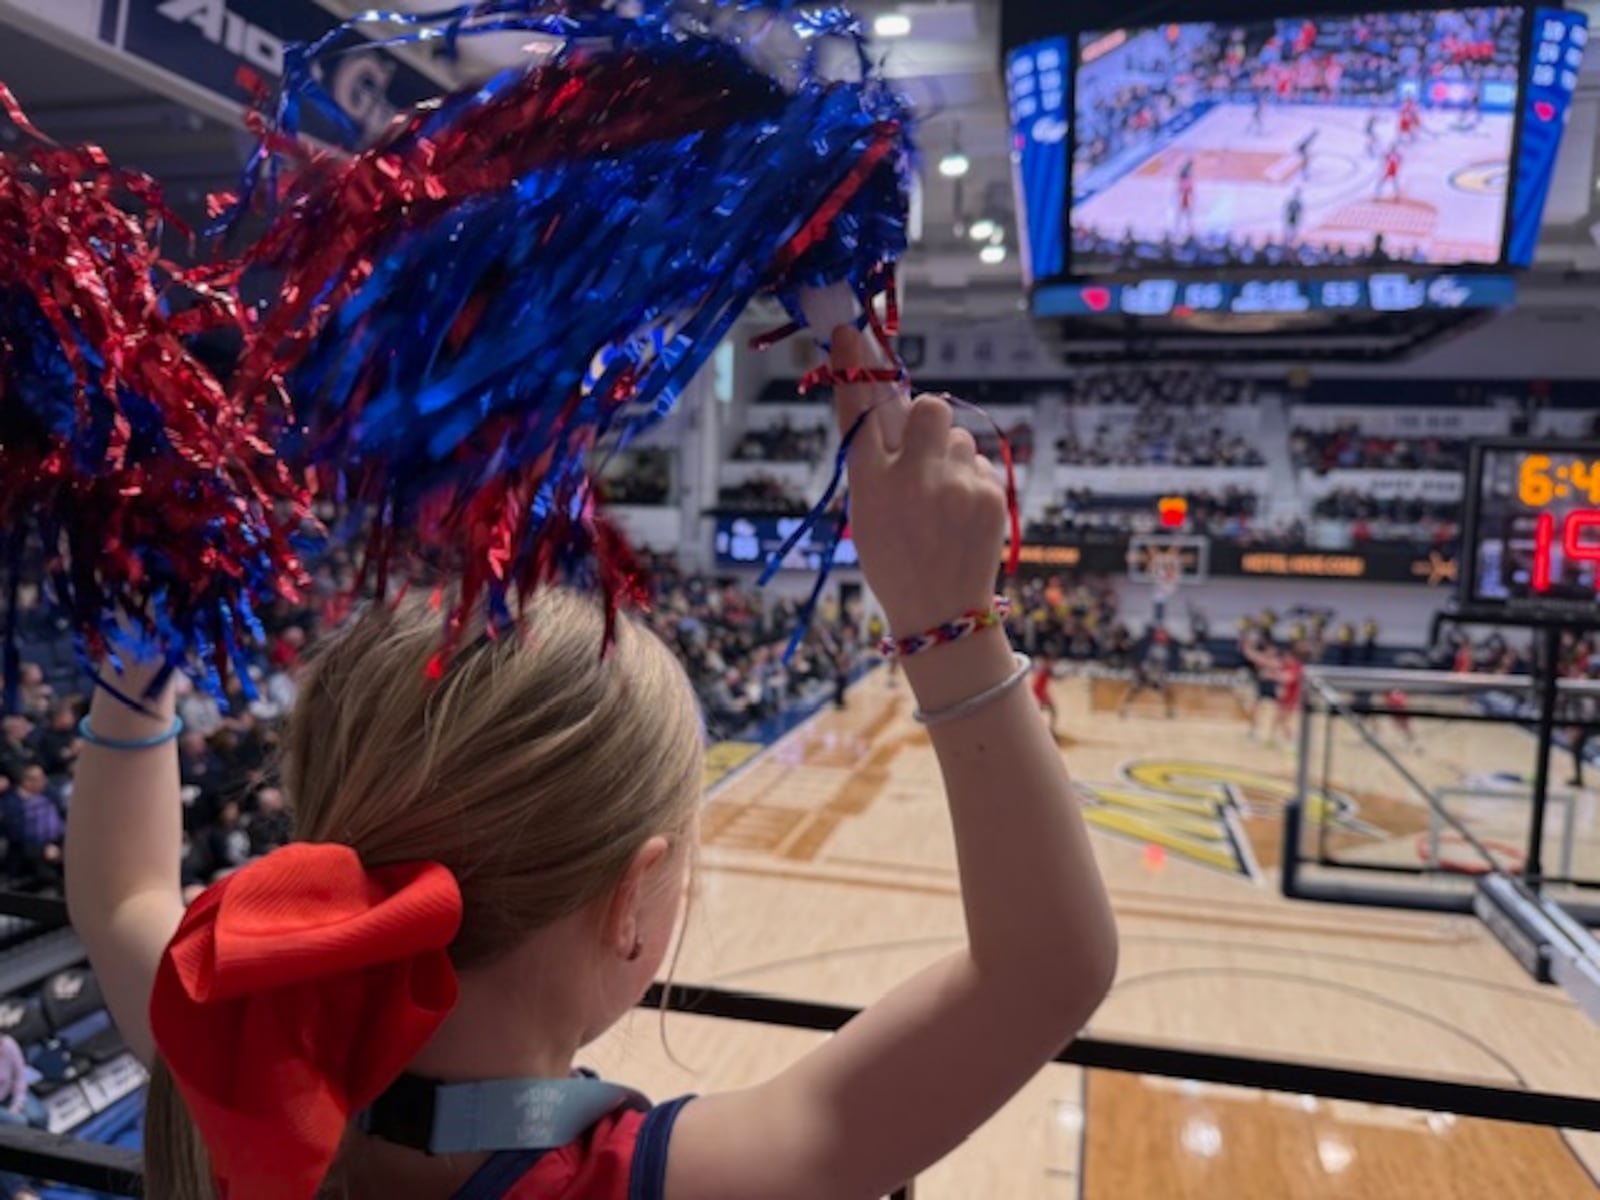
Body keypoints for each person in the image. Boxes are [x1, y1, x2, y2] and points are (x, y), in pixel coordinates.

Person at [64, 325, 1118, 1200]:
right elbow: (1046, 973)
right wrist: (951, 622)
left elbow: (122, 896)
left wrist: (136, 668)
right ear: (630, 904)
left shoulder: (236, 1057)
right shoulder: (638, 1180)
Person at [0, 1032, 41, 1200]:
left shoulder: (8, 1044)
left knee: (39, 1116)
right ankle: (19, 1189)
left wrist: (18, 1103)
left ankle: (42, 1169)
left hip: (11, 1096)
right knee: (17, 1125)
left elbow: (20, 1076)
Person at [1119, 628, 1176, 720]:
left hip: (1155, 675)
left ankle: (1170, 711)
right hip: (1146, 673)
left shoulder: (1162, 650)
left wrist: (1160, 675)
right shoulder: (1155, 648)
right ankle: (1124, 709)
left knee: (1166, 692)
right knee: (1134, 690)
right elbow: (1149, 663)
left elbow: (1162, 667)